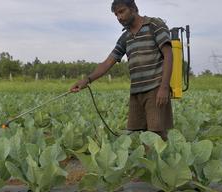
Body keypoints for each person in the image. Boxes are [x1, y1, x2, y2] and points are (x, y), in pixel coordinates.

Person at [70, 0, 173, 140]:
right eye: (116, 14)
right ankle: (150, 160)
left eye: (121, 11)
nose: (119, 17)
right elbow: (107, 63)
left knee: (157, 133)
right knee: (143, 134)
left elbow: (168, 55)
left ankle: (159, 161)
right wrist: (86, 80)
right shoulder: (125, 37)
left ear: (133, 8)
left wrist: (164, 87)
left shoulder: (154, 25)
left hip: (156, 88)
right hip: (137, 91)